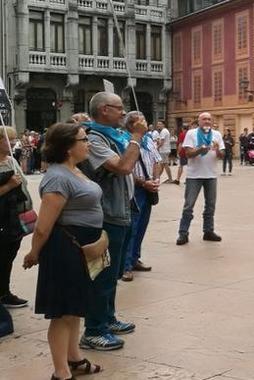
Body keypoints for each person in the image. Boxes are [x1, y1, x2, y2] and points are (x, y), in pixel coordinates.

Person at [22, 123, 105, 379]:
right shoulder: (58, 177)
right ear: (69, 147)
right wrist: (34, 253)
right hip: (65, 249)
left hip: (83, 247)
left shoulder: (75, 170)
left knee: (75, 307)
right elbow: (44, 226)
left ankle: (74, 358)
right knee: (62, 312)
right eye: (83, 139)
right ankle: (61, 372)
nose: (88, 143)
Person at [80, 92, 145, 350]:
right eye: (119, 108)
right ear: (104, 110)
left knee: (113, 272)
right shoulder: (94, 138)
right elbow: (123, 167)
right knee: (103, 274)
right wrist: (137, 137)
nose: (124, 112)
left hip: (123, 210)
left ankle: (107, 318)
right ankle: (94, 330)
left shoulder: (113, 135)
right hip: (106, 214)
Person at [122, 112, 161, 282]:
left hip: (149, 187)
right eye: (141, 120)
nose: (146, 123)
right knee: (132, 227)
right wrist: (143, 182)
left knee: (142, 225)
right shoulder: (125, 141)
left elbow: (157, 161)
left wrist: (155, 178)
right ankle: (126, 266)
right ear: (131, 125)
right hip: (135, 189)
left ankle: (135, 258)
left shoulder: (149, 140)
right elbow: (126, 168)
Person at [176, 112, 225, 245]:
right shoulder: (191, 134)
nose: (207, 121)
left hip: (211, 175)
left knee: (210, 205)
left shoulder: (217, 135)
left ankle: (208, 231)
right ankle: (183, 233)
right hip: (194, 175)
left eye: (209, 119)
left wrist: (218, 150)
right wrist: (199, 151)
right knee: (188, 206)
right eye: (204, 119)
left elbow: (222, 154)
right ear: (199, 121)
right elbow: (187, 153)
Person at [0, 126, 33, 308]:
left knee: (8, 257)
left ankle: (4, 292)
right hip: (2, 219)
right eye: (8, 139)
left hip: (15, 218)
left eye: (13, 138)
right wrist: (9, 186)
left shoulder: (12, 160)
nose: (12, 142)